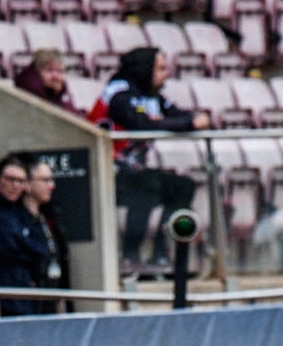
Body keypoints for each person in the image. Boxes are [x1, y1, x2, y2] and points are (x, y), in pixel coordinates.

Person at [87, 46, 210, 276]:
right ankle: (130, 257)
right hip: (105, 173)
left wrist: (192, 120)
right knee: (146, 187)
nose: (166, 74)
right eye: (161, 68)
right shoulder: (119, 93)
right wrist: (187, 123)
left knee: (182, 186)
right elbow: (140, 124)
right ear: (144, 69)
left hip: (133, 172)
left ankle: (160, 253)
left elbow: (180, 116)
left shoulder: (152, 96)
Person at [0, 155, 51, 318]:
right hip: (4, 293)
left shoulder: (22, 211)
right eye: (10, 179)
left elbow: (41, 249)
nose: (15, 186)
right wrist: (26, 250)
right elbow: (5, 247)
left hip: (26, 292)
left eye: (21, 181)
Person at [22, 158, 70, 312]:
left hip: (53, 295)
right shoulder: (19, 219)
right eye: (45, 180)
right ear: (28, 183)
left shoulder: (49, 216)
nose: (52, 185)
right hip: (31, 301)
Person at [13, 49, 78, 115]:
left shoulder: (63, 104)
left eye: (59, 71)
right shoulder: (29, 98)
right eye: (49, 70)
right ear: (37, 73)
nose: (55, 76)